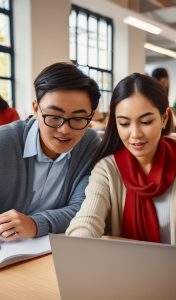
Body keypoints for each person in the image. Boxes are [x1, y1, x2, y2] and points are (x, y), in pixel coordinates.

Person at [66, 73, 176, 248]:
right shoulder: (107, 168)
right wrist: (76, 246)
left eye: (146, 121)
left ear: (164, 118)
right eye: (124, 124)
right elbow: (87, 221)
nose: (135, 134)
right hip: (122, 270)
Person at [0, 62, 101, 241]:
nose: (64, 130)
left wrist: (35, 224)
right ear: (36, 108)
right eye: (54, 117)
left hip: (48, 252)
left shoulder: (88, 143)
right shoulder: (4, 142)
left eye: (78, 118)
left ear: (91, 116)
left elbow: (83, 208)